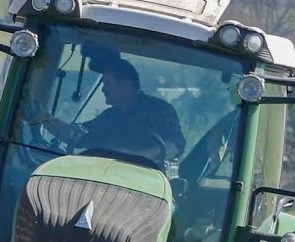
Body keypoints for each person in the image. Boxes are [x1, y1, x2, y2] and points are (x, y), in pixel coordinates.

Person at [25, 58, 185, 164]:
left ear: (126, 85)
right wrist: (44, 117)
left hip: (146, 187)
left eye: (108, 83)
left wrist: (136, 157)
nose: (103, 89)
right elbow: (76, 136)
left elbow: (176, 145)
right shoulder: (108, 117)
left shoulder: (160, 110)